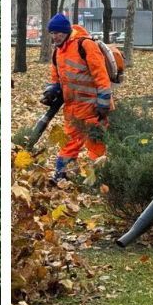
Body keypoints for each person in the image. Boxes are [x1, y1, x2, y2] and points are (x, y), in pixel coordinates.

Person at [44, 13, 113, 180]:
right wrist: (52, 90)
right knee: (69, 143)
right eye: (52, 33)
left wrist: (103, 102)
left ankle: (96, 178)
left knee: (95, 144)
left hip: (93, 106)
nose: (55, 37)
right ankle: (62, 176)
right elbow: (56, 77)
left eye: (57, 33)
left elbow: (101, 75)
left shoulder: (85, 45)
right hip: (72, 108)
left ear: (66, 31)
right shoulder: (58, 51)